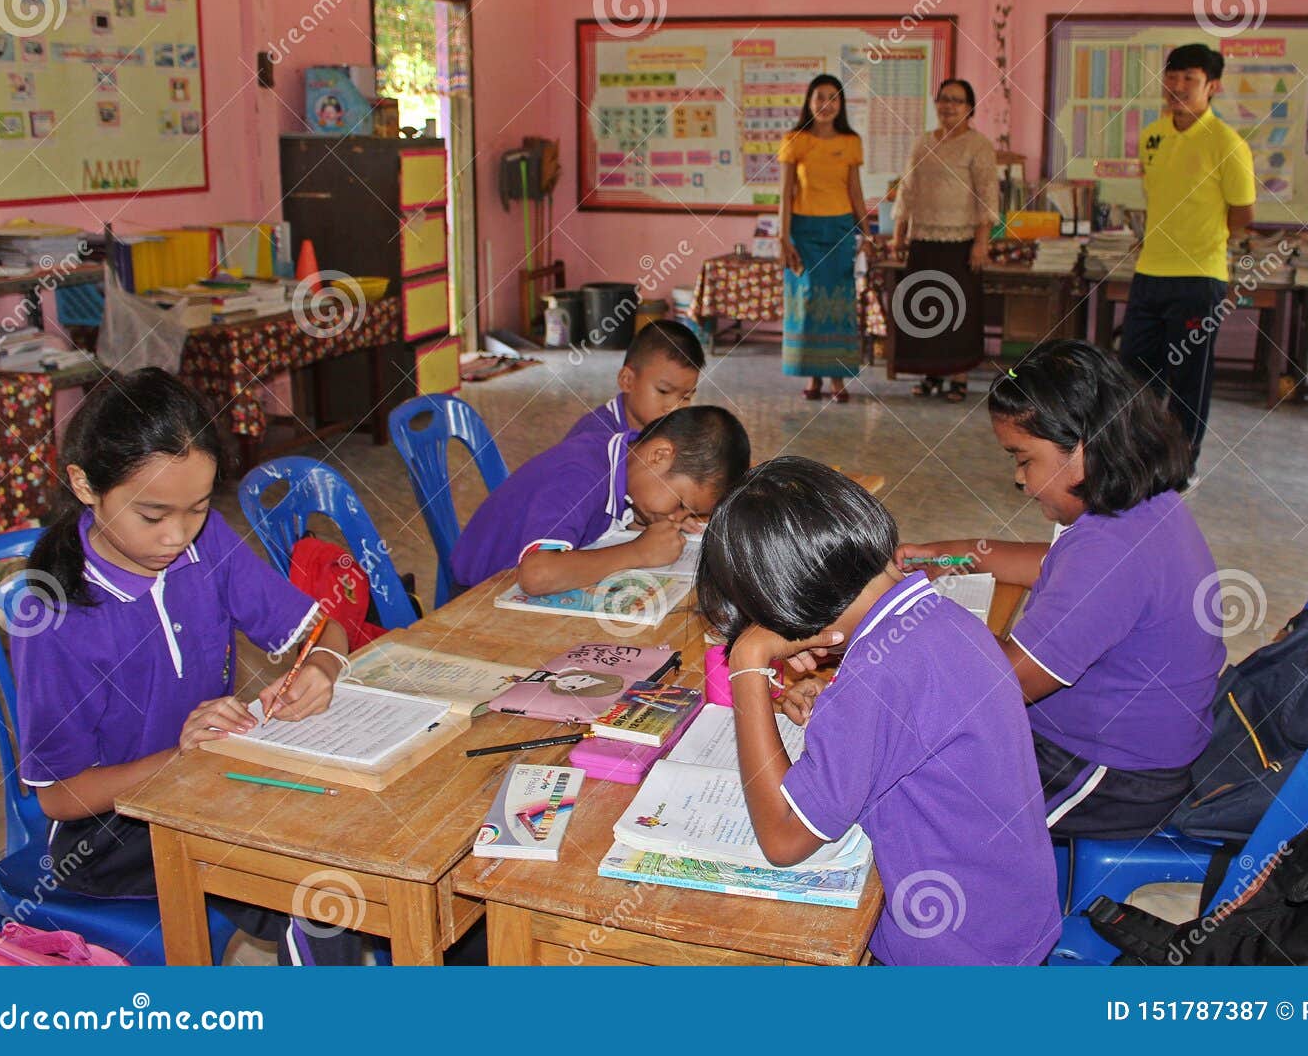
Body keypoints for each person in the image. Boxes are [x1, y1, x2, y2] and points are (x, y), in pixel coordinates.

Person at [12, 368, 362, 964]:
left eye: (197, 507)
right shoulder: (52, 616)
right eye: (152, 516)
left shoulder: (208, 545)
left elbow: (321, 628)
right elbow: (60, 797)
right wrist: (182, 754)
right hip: (111, 831)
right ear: (84, 484)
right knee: (311, 881)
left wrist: (323, 667)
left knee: (361, 822)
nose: (177, 535)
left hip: (210, 782)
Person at [697, 458, 1060, 965]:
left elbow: (782, 839)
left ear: (785, 607)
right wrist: (837, 686)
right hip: (1008, 916)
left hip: (952, 952)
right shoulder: (936, 616)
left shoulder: (881, 674)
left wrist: (747, 665)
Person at [897, 341, 1225, 839]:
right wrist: (947, 555)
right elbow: (1047, 563)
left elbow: (1000, 685)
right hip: (1109, 745)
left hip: (1110, 774)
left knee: (916, 800)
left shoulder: (1111, 551)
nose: (1019, 479)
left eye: (1024, 460)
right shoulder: (1138, 510)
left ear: (1084, 447)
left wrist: (898, 650)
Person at [1123, 42, 1255, 462]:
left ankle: (1181, 464)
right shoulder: (1152, 136)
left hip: (1200, 278)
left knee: (1188, 378)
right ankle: (1138, 462)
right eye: (1172, 77)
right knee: (1136, 377)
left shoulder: (1228, 143)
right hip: (1149, 274)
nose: (1177, 87)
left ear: (1212, 86)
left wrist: (1206, 242)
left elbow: (1242, 213)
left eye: (1190, 80)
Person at [451, 406, 749, 591]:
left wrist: (647, 528)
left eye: (690, 515)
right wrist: (639, 552)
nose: (678, 518)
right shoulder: (583, 474)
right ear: (659, 455)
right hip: (479, 594)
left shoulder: (627, 460)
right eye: (682, 505)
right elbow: (537, 573)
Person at [891, 78, 999, 402]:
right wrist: (899, 233)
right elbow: (907, 189)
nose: (948, 105)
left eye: (957, 100)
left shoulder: (979, 145)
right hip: (923, 238)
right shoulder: (922, 142)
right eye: (943, 99)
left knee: (959, 311)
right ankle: (931, 374)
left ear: (970, 109)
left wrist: (982, 242)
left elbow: (987, 195)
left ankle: (958, 377)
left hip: (961, 242)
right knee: (926, 307)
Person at [777, 74, 870, 402]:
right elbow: (785, 194)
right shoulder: (794, 139)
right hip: (803, 233)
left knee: (839, 304)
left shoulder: (851, 141)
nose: (826, 104)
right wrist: (783, 238)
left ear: (841, 104)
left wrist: (867, 232)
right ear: (809, 100)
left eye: (833, 97)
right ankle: (812, 376)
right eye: (820, 97)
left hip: (840, 231)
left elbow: (855, 190)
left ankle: (837, 379)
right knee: (808, 302)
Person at [565, 318, 704, 441]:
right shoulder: (593, 439)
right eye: (663, 391)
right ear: (627, 380)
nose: (675, 408)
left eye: (686, 397)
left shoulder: (674, 433)